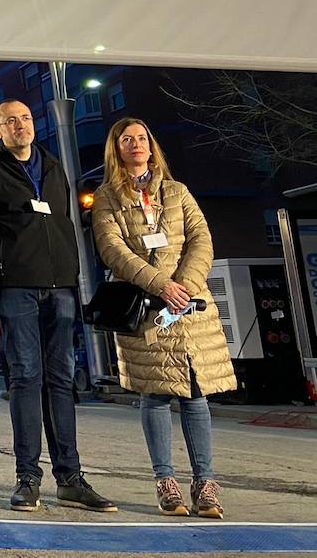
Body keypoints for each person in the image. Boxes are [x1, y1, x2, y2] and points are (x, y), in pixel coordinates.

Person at [0, 99, 115, 513]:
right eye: (10, 121)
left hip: (61, 286)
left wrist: (71, 272)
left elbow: (62, 218)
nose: (20, 126)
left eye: (26, 118)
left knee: (62, 379)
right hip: (14, 286)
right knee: (27, 378)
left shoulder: (52, 165)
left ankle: (70, 477)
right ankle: (28, 477)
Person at [91, 118, 235, 520]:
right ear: (116, 149)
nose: (136, 145)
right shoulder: (106, 197)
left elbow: (201, 238)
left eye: (142, 138)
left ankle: (206, 485)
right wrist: (160, 286)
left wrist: (184, 286)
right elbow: (113, 250)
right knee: (154, 396)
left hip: (189, 309)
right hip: (148, 308)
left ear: (152, 147)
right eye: (127, 140)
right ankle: (165, 482)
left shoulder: (177, 192)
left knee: (195, 395)